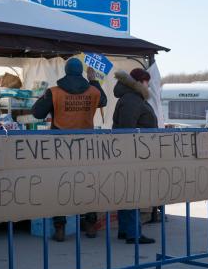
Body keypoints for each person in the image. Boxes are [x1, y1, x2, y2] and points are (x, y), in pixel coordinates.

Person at [32, 59, 107, 242]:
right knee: (87, 184)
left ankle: (60, 228)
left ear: (65, 71)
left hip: (60, 147)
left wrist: (44, 97)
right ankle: (90, 225)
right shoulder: (93, 91)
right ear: (81, 72)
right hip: (86, 146)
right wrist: (93, 80)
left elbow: (36, 113)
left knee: (61, 186)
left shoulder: (54, 92)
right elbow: (103, 100)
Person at [112, 68, 157, 244]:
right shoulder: (132, 99)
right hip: (133, 153)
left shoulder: (132, 97)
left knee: (127, 191)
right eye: (146, 81)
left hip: (131, 152)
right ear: (139, 82)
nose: (148, 84)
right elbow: (128, 128)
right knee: (133, 192)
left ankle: (126, 230)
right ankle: (133, 233)